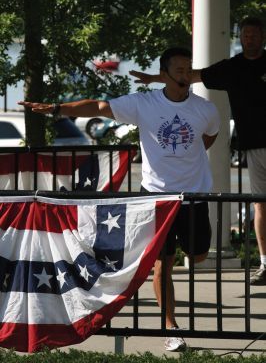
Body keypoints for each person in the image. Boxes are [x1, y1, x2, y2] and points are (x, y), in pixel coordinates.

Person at [18, 47, 220, 352]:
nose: (185, 74)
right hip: (157, 197)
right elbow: (98, 106)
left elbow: (211, 135)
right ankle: (170, 326)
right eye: (179, 69)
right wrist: (58, 109)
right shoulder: (143, 104)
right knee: (162, 264)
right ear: (164, 75)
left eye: (188, 69)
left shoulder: (206, 109)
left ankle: (185, 258)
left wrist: (190, 159)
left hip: (194, 195)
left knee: (199, 255)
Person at [130, 16, 266, 286]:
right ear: (239, 37)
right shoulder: (233, 67)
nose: (249, 38)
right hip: (254, 143)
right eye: (245, 34)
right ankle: (265, 263)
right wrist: (155, 78)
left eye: (254, 34)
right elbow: (190, 75)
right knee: (261, 203)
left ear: (263, 36)